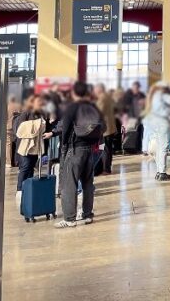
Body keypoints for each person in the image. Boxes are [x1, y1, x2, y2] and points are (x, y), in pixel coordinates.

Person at [54, 81, 104, 228]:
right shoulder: (93, 107)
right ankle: (87, 215)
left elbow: (66, 128)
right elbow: (103, 127)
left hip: (74, 148)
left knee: (70, 184)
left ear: (74, 93)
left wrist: (64, 145)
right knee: (88, 183)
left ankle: (69, 218)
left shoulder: (72, 107)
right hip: (90, 149)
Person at [143, 82, 170, 180]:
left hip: (155, 124)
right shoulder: (161, 96)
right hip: (162, 123)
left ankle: (159, 172)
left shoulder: (152, 97)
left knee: (158, 148)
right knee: (163, 147)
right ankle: (162, 173)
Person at [94, 83, 118, 175]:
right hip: (111, 127)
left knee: (104, 149)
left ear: (99, 90)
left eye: (95, 90)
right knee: (108, 149)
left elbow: (98, 112)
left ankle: (106, 169)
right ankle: (106, 167)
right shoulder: (109, 97)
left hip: (105, 129)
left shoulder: (102, 98)